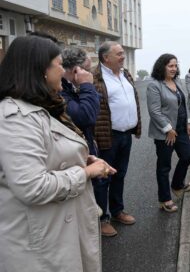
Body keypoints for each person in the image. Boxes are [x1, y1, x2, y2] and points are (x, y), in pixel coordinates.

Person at [0, 35, 115, 272]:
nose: (65, 70)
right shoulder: (15, 118)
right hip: (40, 244)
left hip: (58, 229)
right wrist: (85, 172)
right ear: (41, 70)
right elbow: (33, 186)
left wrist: (83, 159)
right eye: (59, 64)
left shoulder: (40, 106)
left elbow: (49, 148)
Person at [93, 41, 141, 237]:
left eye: (123, 53)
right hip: (107, 136)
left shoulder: (125, 73)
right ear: (106, 58)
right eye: (119, 54)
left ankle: (117, 211)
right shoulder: (96, 78)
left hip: (125, 135)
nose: (123, 56)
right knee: (103, 179)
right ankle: (102, 218)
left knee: (119, 175)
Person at [147, 54, 190, 212]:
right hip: (165, 133)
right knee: (164, 166)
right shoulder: (154, 85)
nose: (174, 69)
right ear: (162, 67)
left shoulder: (177, 82)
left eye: (175, 65)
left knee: (188, 155)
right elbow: (154, 111)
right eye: (170, 66)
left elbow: (184, 104)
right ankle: (165, 199)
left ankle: (177, 184)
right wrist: (168, 129)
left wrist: (188, 122)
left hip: (180, 129)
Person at [61, 47, 100, 156]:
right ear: (75, 70)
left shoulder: (71, 86)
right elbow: (86, 117)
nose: (90, 74)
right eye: (87, 70)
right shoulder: (60, 90)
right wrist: (87, 86)